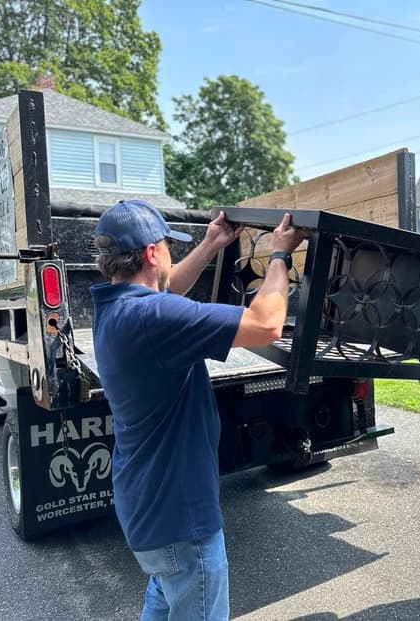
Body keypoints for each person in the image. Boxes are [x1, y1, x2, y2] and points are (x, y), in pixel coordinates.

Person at [90, 199, 305, 621]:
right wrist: (280, 254)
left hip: (148, 508)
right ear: (152, 253)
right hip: (179, 518)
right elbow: (266, 324)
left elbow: (168, 290)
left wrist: (210, 245)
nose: (171, 252)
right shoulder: (152, 317)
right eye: (168, 246)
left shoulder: (117, 307)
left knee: (166, 595)